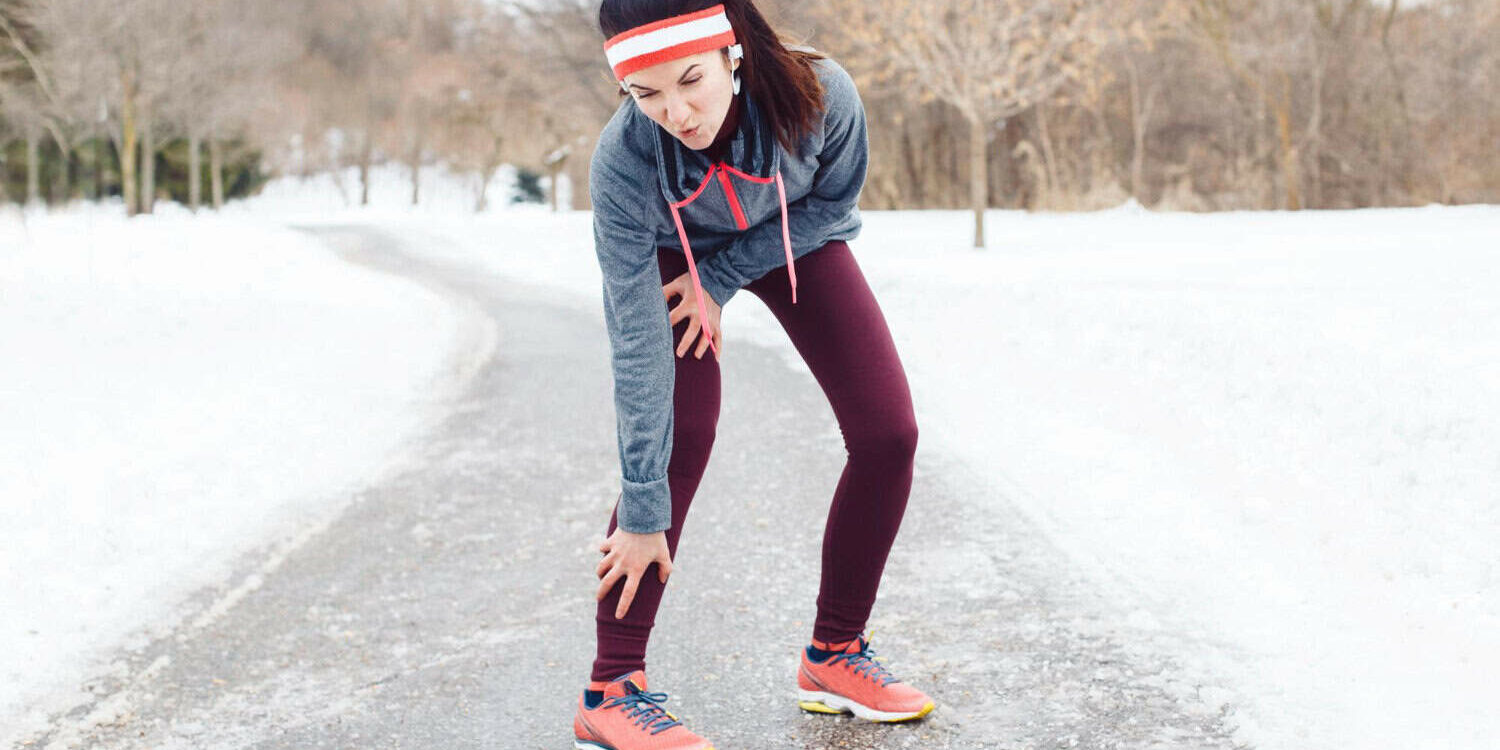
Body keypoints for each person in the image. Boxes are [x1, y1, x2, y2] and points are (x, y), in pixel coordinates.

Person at [574, 2, 933, 748]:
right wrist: (643, 508)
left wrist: (726, 275)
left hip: (793, 236)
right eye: (645, 94)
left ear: (730, 51)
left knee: (888, 432)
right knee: (684, 433)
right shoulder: (624, 163)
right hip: (673, 257)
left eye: (690, 80)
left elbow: (835, 202)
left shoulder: (822, 94)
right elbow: (637, 343)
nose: (675, 112)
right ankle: (611, 687)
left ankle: (834, 655)